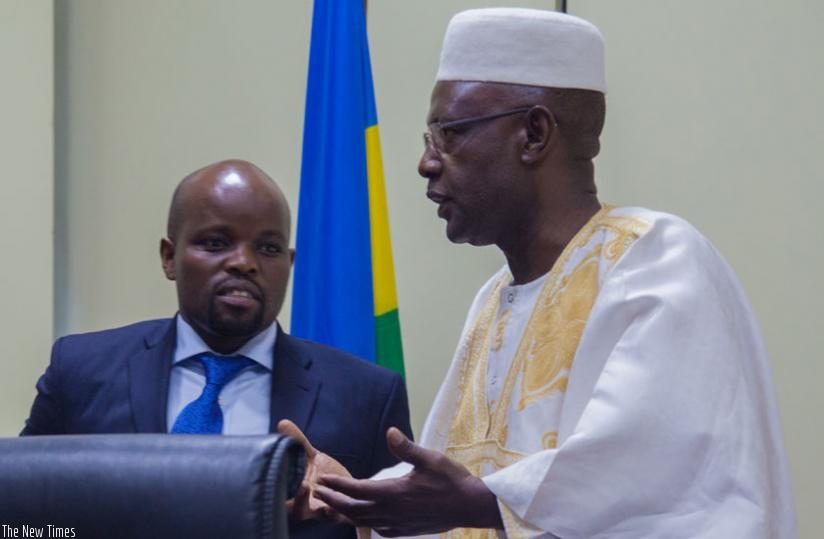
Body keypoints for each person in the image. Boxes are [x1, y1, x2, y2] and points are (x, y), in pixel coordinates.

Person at [295, 8, 797, 538]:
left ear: (534, 134)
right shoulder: (493, 302)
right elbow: (452, 489)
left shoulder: (655, 262)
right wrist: (358, 494)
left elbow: (658, 487)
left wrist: (481, 504)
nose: (426, 162)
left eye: (450, 133)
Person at [21, 159, 413, 539]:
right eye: (216, 243)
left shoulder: (367, 396)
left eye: (268, 248)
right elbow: (18, 518)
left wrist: (362, 518)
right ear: (168, 256)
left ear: (290, 264)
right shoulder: (81, 371)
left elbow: (408, 533)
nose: (244, 263)